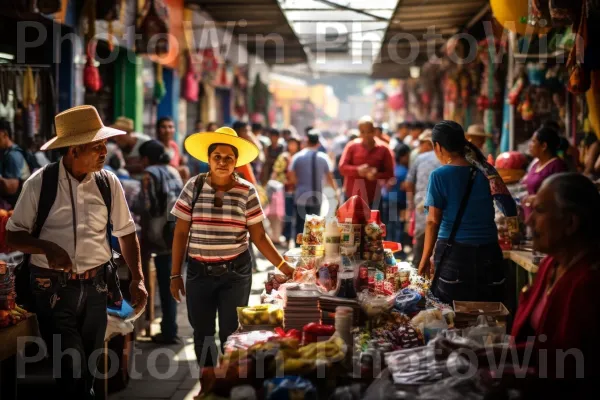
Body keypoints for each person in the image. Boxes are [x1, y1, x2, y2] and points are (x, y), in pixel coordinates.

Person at [6, 105, 147, 399]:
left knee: (91, 366)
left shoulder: (108, 183)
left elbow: (126, 231)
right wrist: (46, 247)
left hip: (97, 287)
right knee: (70, 367)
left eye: (104, 145)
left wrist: (137, 278)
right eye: (97, 147)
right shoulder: (39, 184)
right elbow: (12, 234)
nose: (104, 152)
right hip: (52, 288)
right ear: (73, 150)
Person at [170, 126, 295, 369]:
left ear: (236, 162)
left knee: (230, 333)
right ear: (208, 160)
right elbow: (181, 232)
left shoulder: (246, 191)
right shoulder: (193, 187)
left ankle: (226, 381)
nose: (223, 162)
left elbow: (258, 236)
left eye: (229, 158)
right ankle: (208, 381)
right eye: (217, 157)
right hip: (198, 273)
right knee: (202, 333)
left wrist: (283, 266)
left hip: (235, 273)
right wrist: (175, 274)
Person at [478, 174, 600, 396]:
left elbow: (572, 371)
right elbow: (545, 351)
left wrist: (507, 376)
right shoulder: (551, 264)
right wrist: (483, 355)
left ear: (571, 223)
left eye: (540, 211)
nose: (528, 220)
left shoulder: (588, 283)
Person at [419, 121, 517, 304]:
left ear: (438, 147)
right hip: (489, 253)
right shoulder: (485, 171)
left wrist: (425, 258)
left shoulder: (439, 176)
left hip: (455, 255)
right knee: (488, 312)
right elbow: (509, 207)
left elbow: (433, 221)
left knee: (453, 315)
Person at [134, 140, 183, 344]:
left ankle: (169, 331)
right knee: (172, 281)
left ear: (145, 158)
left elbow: (147, 208)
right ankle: (170, 327)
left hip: (159, 236)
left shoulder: (149, 175)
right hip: (176, 233)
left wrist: (144, 240)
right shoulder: (174, 171)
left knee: (165, 284)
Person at [288, 130, 340, 238]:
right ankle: (311, 251)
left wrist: (299, 184)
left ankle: (298, 250)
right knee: (314, 226)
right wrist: (336, 192)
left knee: (300, 226)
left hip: (301, 196)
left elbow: (291, 177)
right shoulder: (323, 158)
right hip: (316, 197)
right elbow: (330, 177)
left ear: (307, 141)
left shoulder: (297, 157)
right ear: (318, 143)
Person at [339, 116, 395, 209]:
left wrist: (376, 175)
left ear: (374, 131)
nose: (366, 135)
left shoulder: (384, 149)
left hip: (373, 197)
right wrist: (358, 170)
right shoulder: (352, 146)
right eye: (362, 132)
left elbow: (390, 173)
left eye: (369, 132)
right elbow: (342, 167)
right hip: (351, 195)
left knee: (373, 223)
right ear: (359, 132)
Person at [405, 129, 440, 266]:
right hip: (441, 208)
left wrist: (411, 205)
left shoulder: (419, 158)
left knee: (421, 241)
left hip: (422, 207)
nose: (420, 147)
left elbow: (409, 183)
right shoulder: (447, 159)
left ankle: (417, 273)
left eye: (422, 143)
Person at [521, 126, 568, 219]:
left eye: (533, 141)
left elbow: (561, 196)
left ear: (544, 146)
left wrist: (538, 199)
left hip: (547, 219)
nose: (530, 145)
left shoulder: (557, 166)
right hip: (531, 217)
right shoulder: (535, 164)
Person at [272, 136, 301, 245]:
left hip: (299, 190)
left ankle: (296, 238)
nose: (292, 146)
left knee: (298, 216)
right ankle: (288, 237)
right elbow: (276, 171)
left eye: (294, 144)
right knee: (288, 215)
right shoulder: (283, 157)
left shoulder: (299, 157)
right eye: (290, 143)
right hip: (286, 190)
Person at [382, 143, 410, 245]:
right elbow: (404, 187)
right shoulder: (405, 171)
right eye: (407, 156)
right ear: (402, 156)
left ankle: (389, 247)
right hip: (395, 201)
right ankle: (395, 249)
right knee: (396, 226)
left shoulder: (394, 168)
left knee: (390, 225)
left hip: (388, 200)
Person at [0, 118, 31, 207]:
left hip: (16, 206)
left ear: (4, 134)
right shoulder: (5, 152)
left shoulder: (13, 155)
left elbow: (12, 188)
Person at [157, 116, 190, 181]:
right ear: (157, 129)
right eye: (163, 127)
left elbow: (178, 162)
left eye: (170, 127)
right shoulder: (155, 146)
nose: (167, 130)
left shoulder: (174, 145)